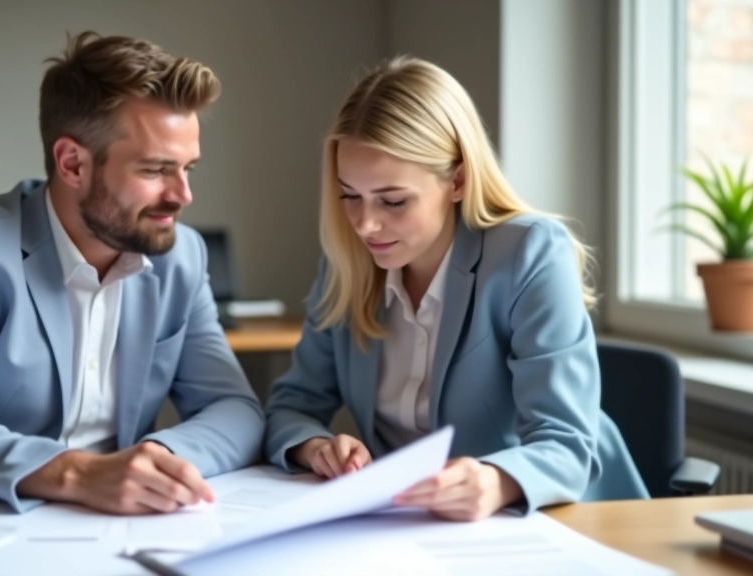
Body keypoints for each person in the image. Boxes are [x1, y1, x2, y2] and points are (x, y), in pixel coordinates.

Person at [0, 31, 264, 514]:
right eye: (155, 170)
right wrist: (81, 473)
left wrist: (156, 461)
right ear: (72, 163)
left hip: (116, 526)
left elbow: (237, 411)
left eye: (188, 168)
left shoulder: (181, 256)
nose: (182, 195)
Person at [264, 57, 648, 521]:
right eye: (351, 195)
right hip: (418, 528)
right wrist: (316, 446)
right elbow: (291, 406)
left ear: (458, 180)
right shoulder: (348, 264)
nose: (365, 224)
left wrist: (494, 480)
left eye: (393, 200)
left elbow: (566, 444)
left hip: (557, 521)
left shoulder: (529, 253)